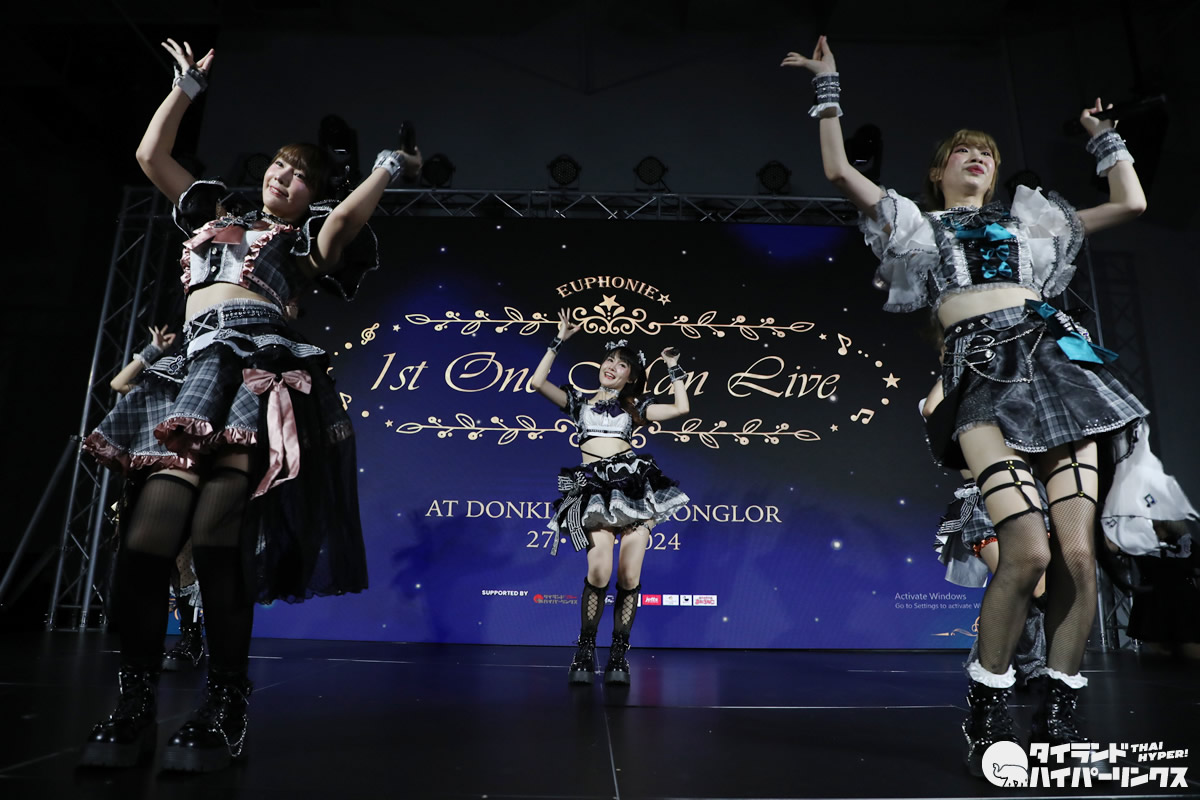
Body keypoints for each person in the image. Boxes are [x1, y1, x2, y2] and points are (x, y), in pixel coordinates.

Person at [784, 36, 1148, 775]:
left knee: (1078, 554)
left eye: (986, 153)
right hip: (981, 376)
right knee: (1029, 550)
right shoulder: (920, 228)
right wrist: (829, 88)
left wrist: (1104, 137)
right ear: (938, 172)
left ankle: (1061, 707)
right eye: (962, 152)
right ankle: (989, 699)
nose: (977, 158)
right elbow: (839, 171)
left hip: (1057, 367)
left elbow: (1131, 202)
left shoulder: (1031, 226)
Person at [79, 38, 419, 771]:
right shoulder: (211, 213)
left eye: (301, 177)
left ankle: (225, 704)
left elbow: (344, 224)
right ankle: (135, 704)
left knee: (216, 539)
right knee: (146, 544)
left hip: (252, 369)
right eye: (280, 166)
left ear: (310, 194)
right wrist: (185, 90)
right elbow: (150, 156)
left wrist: (389, 167)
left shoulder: (300, 240)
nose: (284, 178)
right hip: (189, 371)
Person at [529, 311, 691, 685]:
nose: (611, 367)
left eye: (621, 365)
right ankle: (585, 649)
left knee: (629, 574)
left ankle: (619, 655)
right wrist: (558, 341)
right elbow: (537, 382)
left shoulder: (634, 408)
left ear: (630, 376)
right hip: (594, 492)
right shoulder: (579, 404)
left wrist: (673, 367)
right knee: (599, 570)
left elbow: (681, 408)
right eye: (609, 361)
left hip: (633, 491)